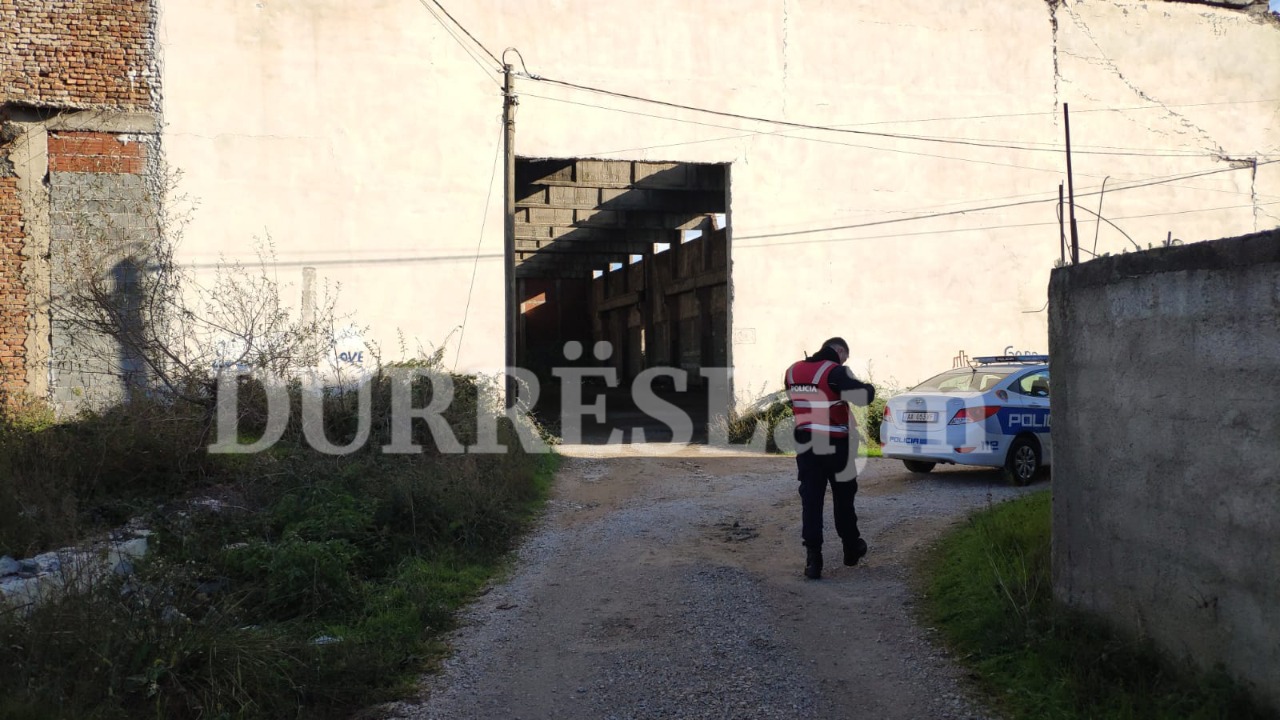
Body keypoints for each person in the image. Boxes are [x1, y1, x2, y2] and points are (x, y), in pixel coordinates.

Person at [784, 337, 876, 579]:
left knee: (811, 500)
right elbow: (863, 397)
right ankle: (851, 547)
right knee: (843, 497)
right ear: (838, 351)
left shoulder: (792, 371)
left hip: (806, 444)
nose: (845, 360)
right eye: (845, 356)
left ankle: (813, 560)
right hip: (836, 445)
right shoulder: (835, 371)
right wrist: (867, 386)